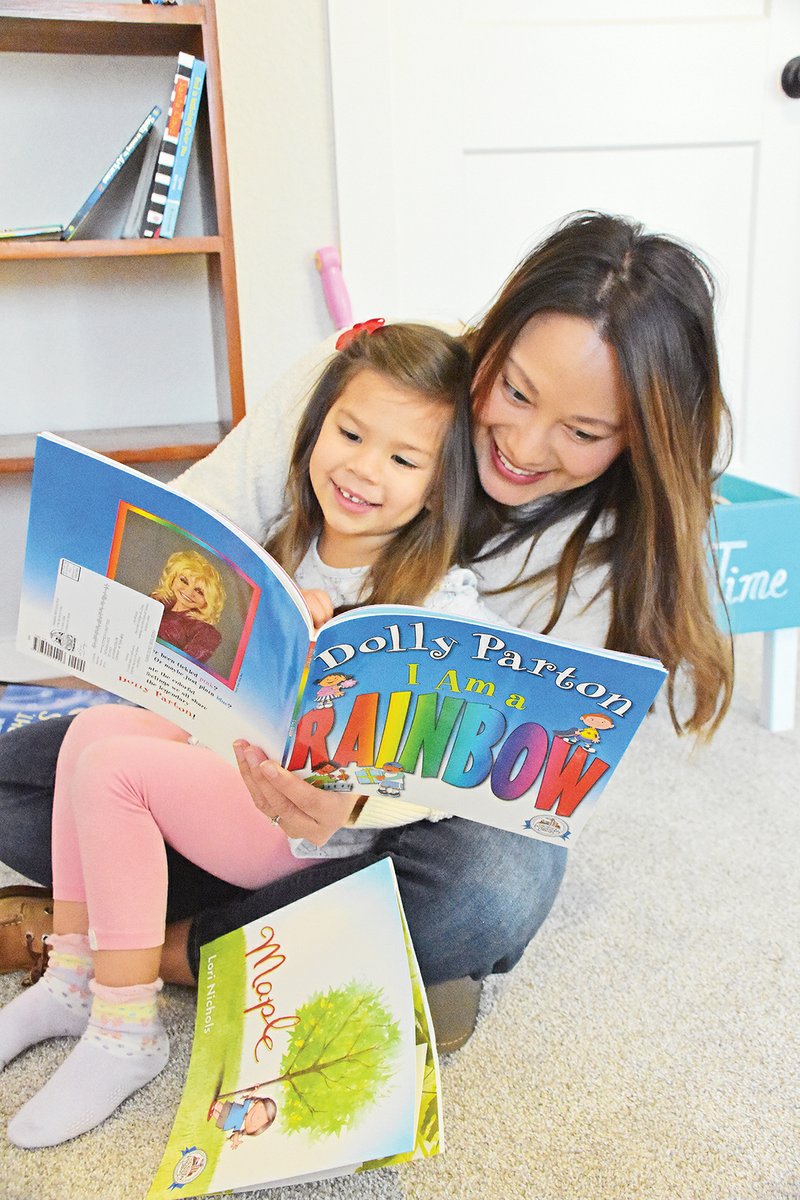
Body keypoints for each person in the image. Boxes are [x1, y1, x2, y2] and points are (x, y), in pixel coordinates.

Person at [0, 211, 733, 1099]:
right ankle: (331, 949)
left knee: (489, 889)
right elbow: (182, 541)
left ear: (638, 438)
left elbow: (545, 781)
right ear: (492, 337)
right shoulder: (372, 384)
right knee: (44, 775)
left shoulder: (617, 541)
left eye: (586, 433)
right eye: (516, 392)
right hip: (234, 770)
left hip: (409, 825)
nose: (527, 447)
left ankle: (147, 951)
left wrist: (356, 805)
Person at [0, 322, 504, 1148]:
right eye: (348, 434)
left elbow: (424, 760)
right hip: (229, 765)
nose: (362, 468)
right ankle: (73, 974)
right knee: (88, 737)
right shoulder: (283, 546)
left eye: (403, 460)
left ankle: (126, 1033)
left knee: (114, 776)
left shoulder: (439, 599)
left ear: (441, 487)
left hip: (302, 832)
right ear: (314, 431)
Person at [150, 548, 226, 665]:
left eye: (199, 591)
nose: (189, 592)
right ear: (173, 578)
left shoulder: (207, 633)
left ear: (207, 601)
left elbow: (182, 667)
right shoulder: (157, 602)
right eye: (184, 581)